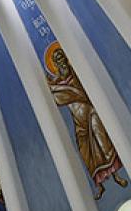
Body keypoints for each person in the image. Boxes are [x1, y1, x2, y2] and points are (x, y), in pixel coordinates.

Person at [44, 41, 126, 196]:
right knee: (86, 152)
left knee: (104, 143)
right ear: (54, 64)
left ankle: (116, 175)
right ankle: (100, 185)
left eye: (62, 58)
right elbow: (56, 95)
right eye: (58, 60)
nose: (61, 63)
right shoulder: (57, 84)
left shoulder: (77, 73)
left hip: (92, 113)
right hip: (79, 123)